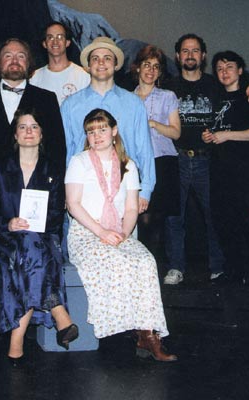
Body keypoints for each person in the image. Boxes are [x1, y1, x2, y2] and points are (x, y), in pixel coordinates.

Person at [65, 109, 176, 362]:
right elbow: (73, 205)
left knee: (145, 262)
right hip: (86, 233)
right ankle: (119, 333)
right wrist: (101, 232)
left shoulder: (129, 165)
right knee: (117, 261)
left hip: (118, 231)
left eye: (102, 129)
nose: (97, 136)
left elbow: (131, 208)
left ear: (114, 131)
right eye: (91, 131)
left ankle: (148, 335)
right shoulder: (79, 162)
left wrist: (124, 233)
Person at [162, 33, 249, 285]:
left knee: (214, 216)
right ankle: (176, 267)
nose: (190, 55)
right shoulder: (168, 87)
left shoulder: (215, 84)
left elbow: (237, 81)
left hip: (209, 160)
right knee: (174, 217)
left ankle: (218, 267)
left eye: (195, 50)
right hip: (176, 158)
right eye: (185, 51)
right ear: (177, 56)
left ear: (203, 56)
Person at [0, 109, 78, 367]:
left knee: (29, 250)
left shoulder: (53, 169)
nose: (28, 132)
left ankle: (17, 341)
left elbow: (57, 214)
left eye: (34, 126)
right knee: (27, 250)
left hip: (42, 239)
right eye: (23, 127)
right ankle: (58, 310)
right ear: (15, 134)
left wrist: (36, 227)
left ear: (42, 134)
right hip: (3, 239)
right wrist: (8, 223)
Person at [62, 36, 155, 215]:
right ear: (88, 65)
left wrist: (145, 190)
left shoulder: (134, 103)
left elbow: (144, 150)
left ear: (116, 64)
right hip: (82, 191)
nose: (101, 63)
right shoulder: (70, 105)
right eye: (95, 58)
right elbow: (65, 151)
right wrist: (66, 191)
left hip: (125, 189)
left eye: (107, 58)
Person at [201, 50, 249, 285]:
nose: (224, 72)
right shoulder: (215, 97)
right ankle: (235, 272)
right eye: (219, 68)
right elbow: (216, 130)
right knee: (225, 224)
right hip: (220, 173)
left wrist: (227, 135)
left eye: (229, 67)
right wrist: (210, 136)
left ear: (240, 70)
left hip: (246, 173)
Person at [0, 38, 65, 169]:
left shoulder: (47, 99)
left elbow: (57, 147)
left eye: (21, 56)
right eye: (8, 56)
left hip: (35, 178)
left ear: (28, 63)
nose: (14, 61)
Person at [130, 45, 181, 255]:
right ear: (138, 68)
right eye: (146, 65)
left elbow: (176, 133)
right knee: (140, 217)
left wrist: (153, 124)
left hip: (162, 162)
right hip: (136, 164)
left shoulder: (167, 96)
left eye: (156, 67)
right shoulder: (127, 98)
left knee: (157, 219)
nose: (151, 70)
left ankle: (155, 267)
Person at [30, 21, 90, 105]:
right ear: (44, 44)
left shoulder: (83, 76)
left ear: (67, 42)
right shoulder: (35, 78)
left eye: (60, 37)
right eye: (50, 37)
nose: (55, 41)